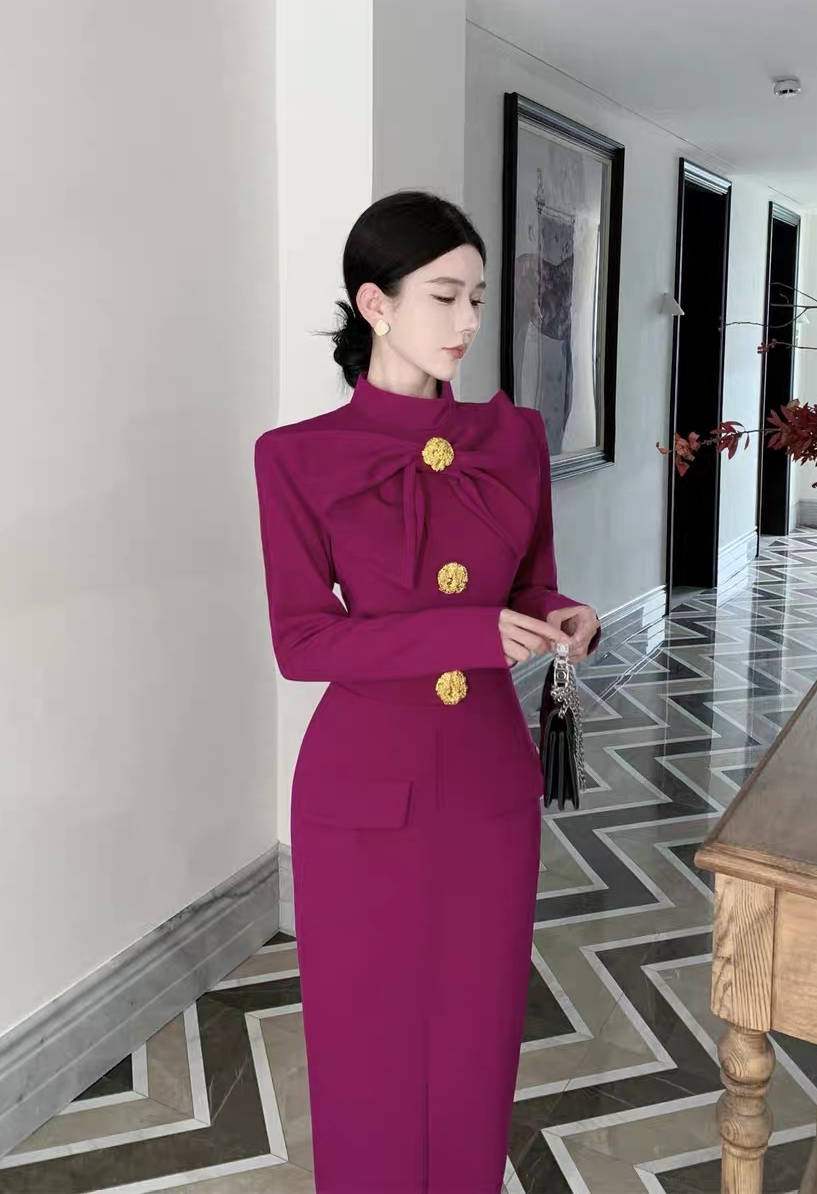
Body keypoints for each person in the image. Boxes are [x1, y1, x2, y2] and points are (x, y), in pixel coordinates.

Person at [254, 191, 599, 1194]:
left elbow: (529, 584)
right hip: (364, 787)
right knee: (365, 1032)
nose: (468, 322)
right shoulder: (295, 457)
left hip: (488, 777)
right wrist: (465, 633)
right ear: (375, 303)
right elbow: (301, 642)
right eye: (444, 297)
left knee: (478, 1026)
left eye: (477, 298)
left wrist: (566, 614)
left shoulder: (514, 438)